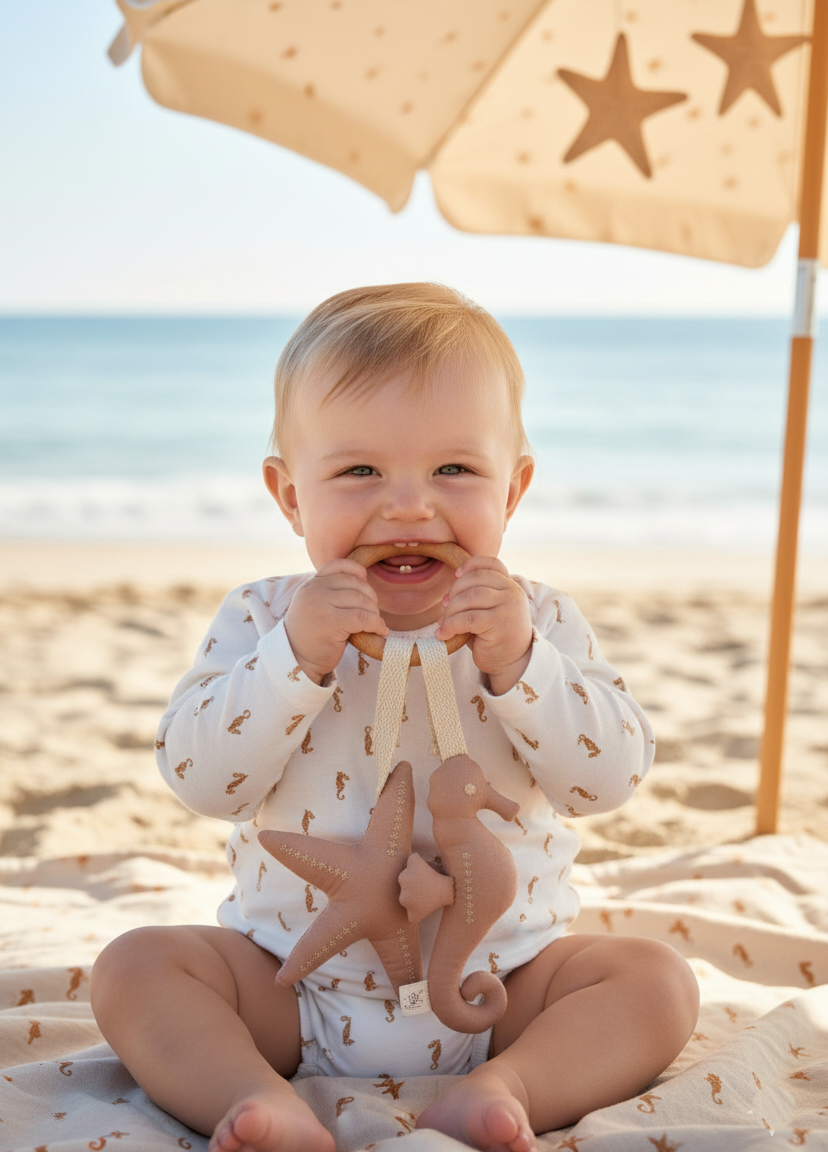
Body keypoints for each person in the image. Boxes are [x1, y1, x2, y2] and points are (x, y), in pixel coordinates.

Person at [91, 283, 699, 1152]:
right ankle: (257, 1100)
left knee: (654, 980)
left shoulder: (542, 622)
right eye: (358, 471)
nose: (408, 505)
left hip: (506, 984)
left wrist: (522, 668)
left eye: (454, 470)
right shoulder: (263, 619)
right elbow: (201, 780)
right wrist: (293, 664)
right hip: (288, 985)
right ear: (290, 495)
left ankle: (504, 1088)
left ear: (514, 488)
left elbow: (609, 781)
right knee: (136, 968)